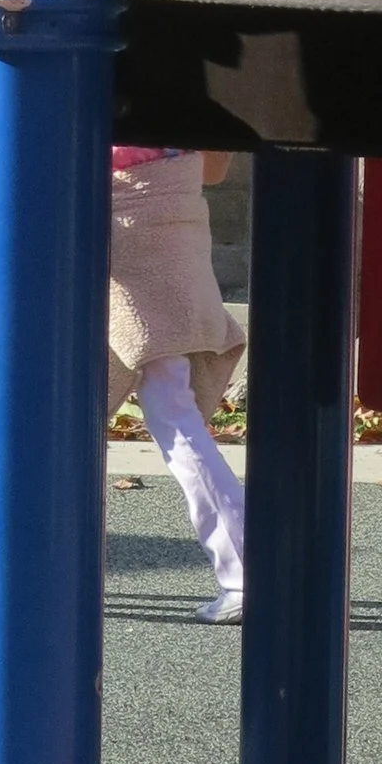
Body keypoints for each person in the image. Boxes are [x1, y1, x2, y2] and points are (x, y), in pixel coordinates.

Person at [110, 147, 247, 622]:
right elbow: (215, 167)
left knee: (170, 409)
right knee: (172, 403)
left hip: (126, 211)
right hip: (177, 206)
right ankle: (247, 567)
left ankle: (245, 568)